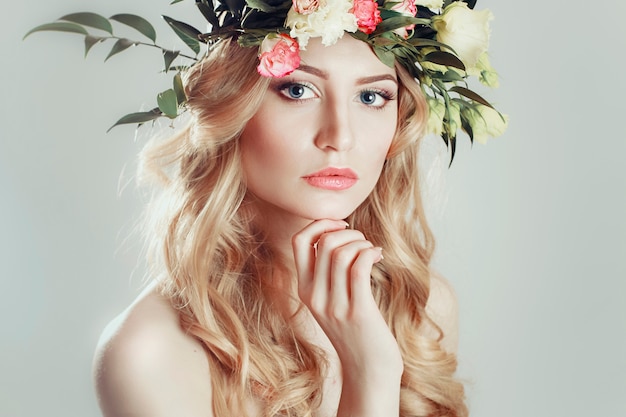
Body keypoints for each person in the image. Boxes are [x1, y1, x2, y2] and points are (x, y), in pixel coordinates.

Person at [28, 1, 505, 416]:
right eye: (297, 90)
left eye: (371, 96)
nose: (340, 136)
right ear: (232, 106)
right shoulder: (151, 352)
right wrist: (370, 378)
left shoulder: (421, 308)